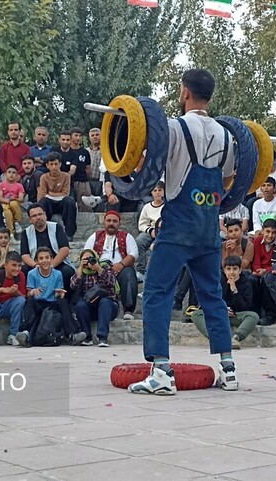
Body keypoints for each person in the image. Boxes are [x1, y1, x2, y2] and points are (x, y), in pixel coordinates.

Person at [129, 69, 238, 396]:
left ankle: (161, 371)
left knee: (157, 292)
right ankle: (228, 369)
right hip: (208, 227)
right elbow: (230, 181)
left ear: (184, 92)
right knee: (212, 295)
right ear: (210, 96)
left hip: (177, 226)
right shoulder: (227, 135)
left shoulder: (173, 128)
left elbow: (143, 170)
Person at [18, 247, 86, 347]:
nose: (44, 261)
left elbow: (57, 294)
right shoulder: (32, 274)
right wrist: (33, 291)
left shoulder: (57, 274)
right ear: (36, 261)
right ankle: (26, 333)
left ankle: (72, 334)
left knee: (63, 301)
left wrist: (60, 294)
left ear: (51, 259)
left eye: (47, 257)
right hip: (38, 303)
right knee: (30, 301)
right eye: (41, 258)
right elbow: (28, 293)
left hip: (51, 304)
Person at [192, 255, 258, 350]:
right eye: (228, 269)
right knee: (196, 314)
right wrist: (222, 309)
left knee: (253, 316)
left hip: (236, 315)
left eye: (235, 269)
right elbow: (209, 301)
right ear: (224, 270)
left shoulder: (246, 283)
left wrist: (234, 289)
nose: (231, 272)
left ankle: (235, 338)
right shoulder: (218, 281)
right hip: (219, 313)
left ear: (240, 270)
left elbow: (244, 307)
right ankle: (215, 337)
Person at [84, 210, 139, 320]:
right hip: (98, 271)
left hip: (119, 270)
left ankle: (128, 310)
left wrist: (121, 264)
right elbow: (86, 253)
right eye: (108, 220)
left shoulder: (126, 236)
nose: (111, 223)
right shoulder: (95, 236)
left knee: (129, 272)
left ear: (119, 223)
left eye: (114, 221)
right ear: (104, 222)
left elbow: (133, 255)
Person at [71, 249, 119, 347]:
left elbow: (111, 282)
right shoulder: (82, 273)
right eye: (85, 259)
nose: (89, 261)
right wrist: (80, 267)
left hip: (109, 307)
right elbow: (73, 286)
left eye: (90, 258)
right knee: (80, 305)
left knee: (105, 302)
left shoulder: (105, 266)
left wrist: (98, 269)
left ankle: (103, 337)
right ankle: (87, 337)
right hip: (91, 307)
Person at [20, 204, 75, 291]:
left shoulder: (56, 227)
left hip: (56, 263)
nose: (38, 217)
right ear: (30, 220)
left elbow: (65, 249)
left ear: (45, 215)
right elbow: (24, 255)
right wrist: (35, 265)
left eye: (40, 214)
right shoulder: (26, 233)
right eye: (34, 216)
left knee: (67, 272)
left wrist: (51, 265)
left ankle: (65, 299)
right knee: (22, 271)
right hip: (36, 264)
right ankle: (29, 297)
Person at [38, 152, 77, 241]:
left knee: (70, 201)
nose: (54, 167)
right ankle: (44, 232)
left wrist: (51, 194)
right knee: (42, 202)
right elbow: (42, 194)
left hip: (62, 202)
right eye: (51, 164)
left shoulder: (66, 176)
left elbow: (65, 193)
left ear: (60, 164)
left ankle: (69, 234)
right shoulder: (44, 177)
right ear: (47, 165)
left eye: (56, 164)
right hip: (49, 203)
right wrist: (52, 195)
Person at [135, 181, 164, 275]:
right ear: (151, 192)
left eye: (160, 190)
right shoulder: (147, 207)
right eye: (155, 190)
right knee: (139, 241)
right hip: (150, 231)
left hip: (162, 231)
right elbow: (142, 224)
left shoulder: (167, 207)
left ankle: (152, 272)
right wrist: (150, 230)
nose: (157, 192)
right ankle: (140, 270)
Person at [0, 165, 25, 235]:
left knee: (13, 203)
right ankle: (11, 232)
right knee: (7, 211)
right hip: (5, 202)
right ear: (5, 174)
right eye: (9, 172)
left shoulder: (19, 186)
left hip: (15, 202)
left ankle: (17, 222)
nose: (11, 174)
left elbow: (21, 198)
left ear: (17, 175)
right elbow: (0, 198)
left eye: (14, 173)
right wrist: (8, 201)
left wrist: (14, 199)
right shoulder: (1, 184)